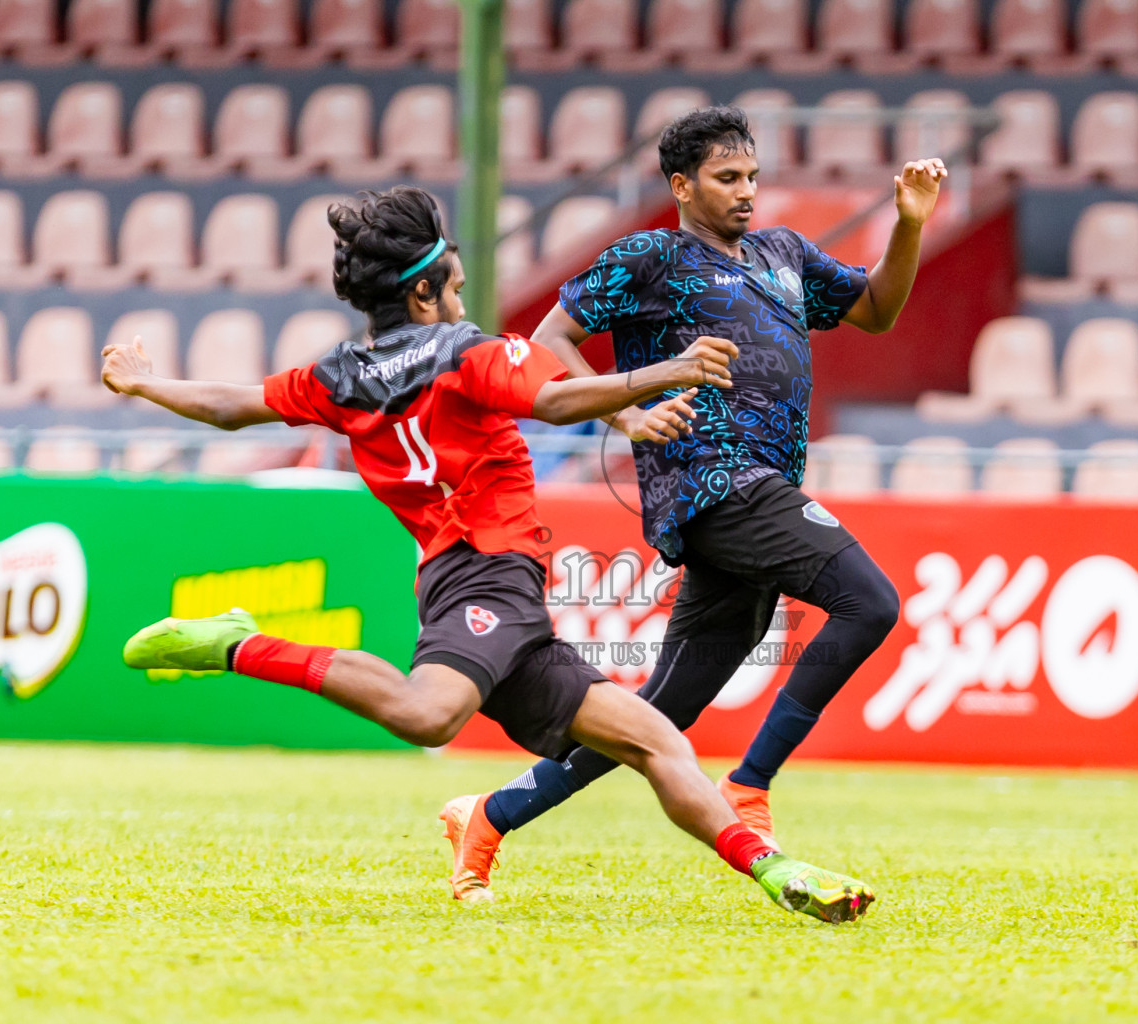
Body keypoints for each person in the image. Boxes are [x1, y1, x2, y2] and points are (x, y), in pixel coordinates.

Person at [101, 185, 875, 924]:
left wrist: (144, 384)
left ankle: (776, 872)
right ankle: (241, 644)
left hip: (495, 598)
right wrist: (663, 374)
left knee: (655, 739)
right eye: (459, 288)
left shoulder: (337, 376)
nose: (467, 303)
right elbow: (558, 399)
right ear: (422, 296)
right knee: (428, 713)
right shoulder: (468, 354)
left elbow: (235, 407)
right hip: (485, 576)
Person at [446, 107, 948, 900]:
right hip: (713, 485)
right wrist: (630, 413)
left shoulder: (782, 252)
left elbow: (875, 312)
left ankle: (489, 814)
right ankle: (750, 785)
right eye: (727, 179)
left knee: (659, 717)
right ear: (682, 187)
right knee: (870, 601)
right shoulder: (651, 257)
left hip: (762, 488)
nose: (747, 192)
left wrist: (908, 226)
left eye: (751, 176)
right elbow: (549, 341)